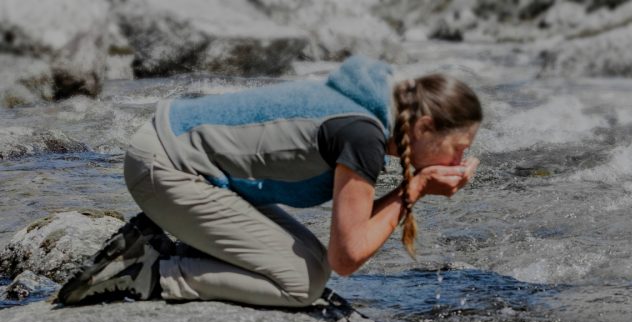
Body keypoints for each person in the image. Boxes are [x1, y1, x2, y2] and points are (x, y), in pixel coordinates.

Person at [58, 56, 482, 307]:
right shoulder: (362, 132)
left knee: (314, 265)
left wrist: (413, 188)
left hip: (174, 156)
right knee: (303, 284)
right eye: (459, 147)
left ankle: (159, 246)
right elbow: (348, 257)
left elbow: (345, 238)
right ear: (424, 127)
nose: (461, 159)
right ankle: (150, 271)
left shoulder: (371, 110)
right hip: (167, 168)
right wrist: (415, 190)